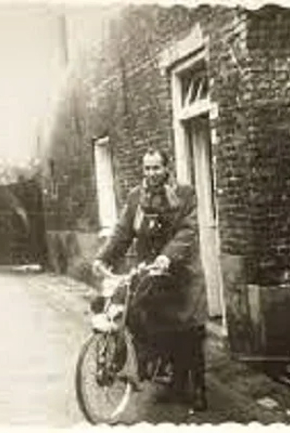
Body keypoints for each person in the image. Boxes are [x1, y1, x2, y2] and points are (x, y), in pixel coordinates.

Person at [92, 147, 208, 412]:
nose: (152, 173)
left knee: (189, 333)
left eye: (156, 167)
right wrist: (103, 258)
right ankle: (174, 382)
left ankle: (199, 388)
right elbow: (122, 233)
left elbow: (187, 231)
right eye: (147, 168)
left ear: (166, 168)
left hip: (182, 276)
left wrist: (168, 256)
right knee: (152, 323)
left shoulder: (184, 194)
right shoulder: (136, 197)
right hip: (152, 274)